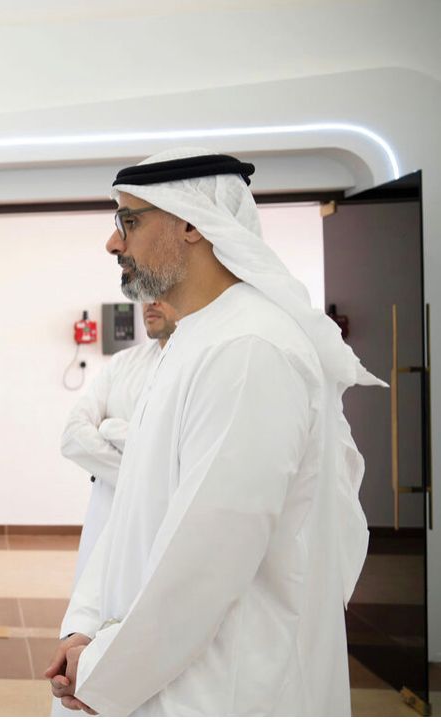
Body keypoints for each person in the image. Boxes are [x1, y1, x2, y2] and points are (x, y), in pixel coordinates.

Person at [44, 149, 381, 716]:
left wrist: (102, 668)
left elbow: (208, 560)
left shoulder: (248, 348)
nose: (112, 243)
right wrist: (84, 625)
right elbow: (131, 515)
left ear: (191, 223)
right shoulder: (192, 341)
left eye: (129, 221)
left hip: (222, 684)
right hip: (153, 667)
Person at [60, 301, 177, 586]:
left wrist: (109, 429)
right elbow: (73, 437)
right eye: (144, 292)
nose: (150, 301)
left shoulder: (196, 367)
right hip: (105, 517)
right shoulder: (123, 363)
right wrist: (149, 475)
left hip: (158, 528)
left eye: (161, 290)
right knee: (93, 602)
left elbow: (180, 457)